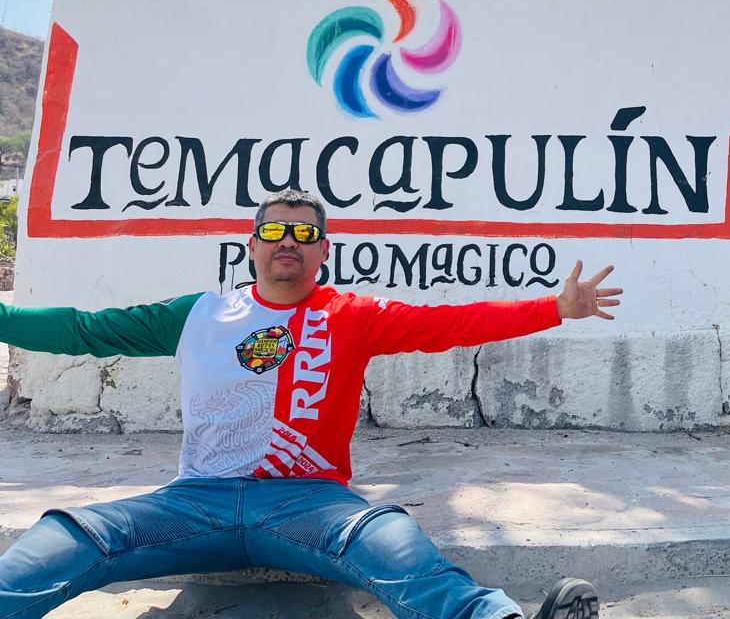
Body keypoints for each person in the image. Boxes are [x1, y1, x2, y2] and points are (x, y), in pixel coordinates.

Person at [0, 188, 622, 619]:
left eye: (305, 233)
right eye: (274, 231)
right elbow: (82, 328)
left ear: (324, 250)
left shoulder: (352, 315)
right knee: (71, 533)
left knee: (391, 539)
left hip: (310, 504)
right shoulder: (197, 314)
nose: (288, 241)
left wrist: (553, 308)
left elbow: (451, 324)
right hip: (194, 501)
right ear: (251, 245)